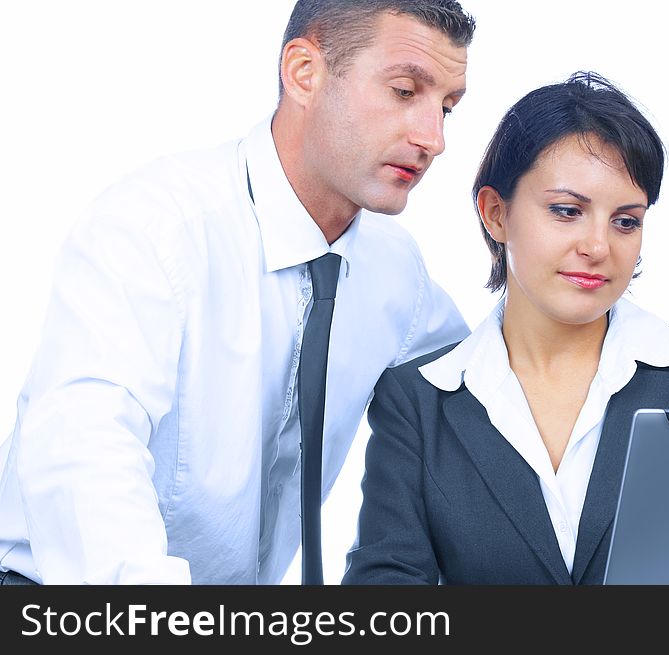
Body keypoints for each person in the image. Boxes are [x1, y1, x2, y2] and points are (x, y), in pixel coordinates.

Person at [0, 0, 475, 585]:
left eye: (447, 108)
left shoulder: (394, 270)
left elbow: (478, 396)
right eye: (406, 91)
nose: (434, 139)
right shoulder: (154, 229)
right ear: (304, 72)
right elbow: (84, 452)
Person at [342, 71, 669, 585]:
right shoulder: (416, 402)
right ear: (495, 214)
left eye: (626, 221)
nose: (598, 246)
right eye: (567, 211)